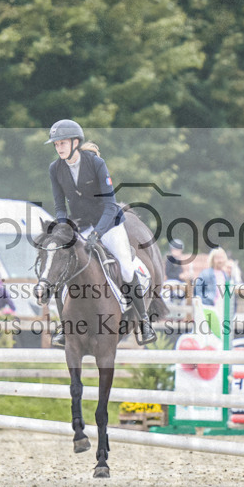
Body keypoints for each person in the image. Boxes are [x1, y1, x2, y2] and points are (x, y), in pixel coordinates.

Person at [45, 119, 156, 346]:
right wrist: (63, 226)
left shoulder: (95, 163)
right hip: (81, 224)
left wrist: (97, 233)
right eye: (56, 144)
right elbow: (59, 205)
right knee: (63, 266)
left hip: (109, 222)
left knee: (126, 267)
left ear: (75, 142)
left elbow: (110, 204)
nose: (59, 148)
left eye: (62, 143)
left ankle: (144, 321)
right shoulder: (55, 169)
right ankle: (64, 326)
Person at [193, 247, 236, 314]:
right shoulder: (205, 274)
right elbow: (198, 292)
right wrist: (204, 303)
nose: (220, 261)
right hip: (209, 308)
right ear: (212, 259)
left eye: (222, 258)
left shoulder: (226, 276)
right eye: (217, 258)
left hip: (222, 308)